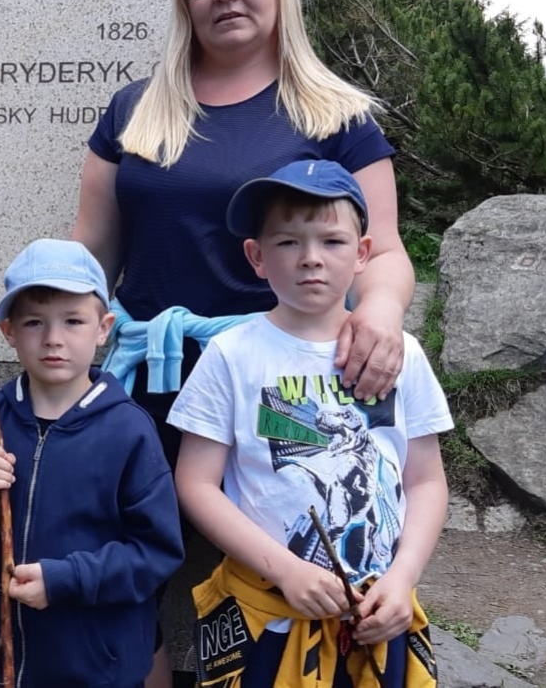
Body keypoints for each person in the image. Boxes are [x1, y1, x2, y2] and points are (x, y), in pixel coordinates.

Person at [73, 0, 418, 684]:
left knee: (291, 571)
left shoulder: (335, 113)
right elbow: (91, 254)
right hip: (146, 381)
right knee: (136, 573)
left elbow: (384, 250)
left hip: (280, 384)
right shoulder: (134, 111)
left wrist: (383, 315)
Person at [170, 160, 450, 686]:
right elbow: (196, 483)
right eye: (288, 242)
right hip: (264, 614)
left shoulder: (400, 355)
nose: (311, 259)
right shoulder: (231, 356)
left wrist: (404, 577)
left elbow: (425, 479)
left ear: (363, 254)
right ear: (256, 256)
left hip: (378, 613)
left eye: (333, 242)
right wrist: (287, 570)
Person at [0, 239, 183, 688]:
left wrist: (66, 580)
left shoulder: (128, 431)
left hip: (97, 667)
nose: (53, 338)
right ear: (8, 330)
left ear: (104, 327)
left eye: (73, 321)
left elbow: (156, 553)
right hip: (0, 663)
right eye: (34, 322)